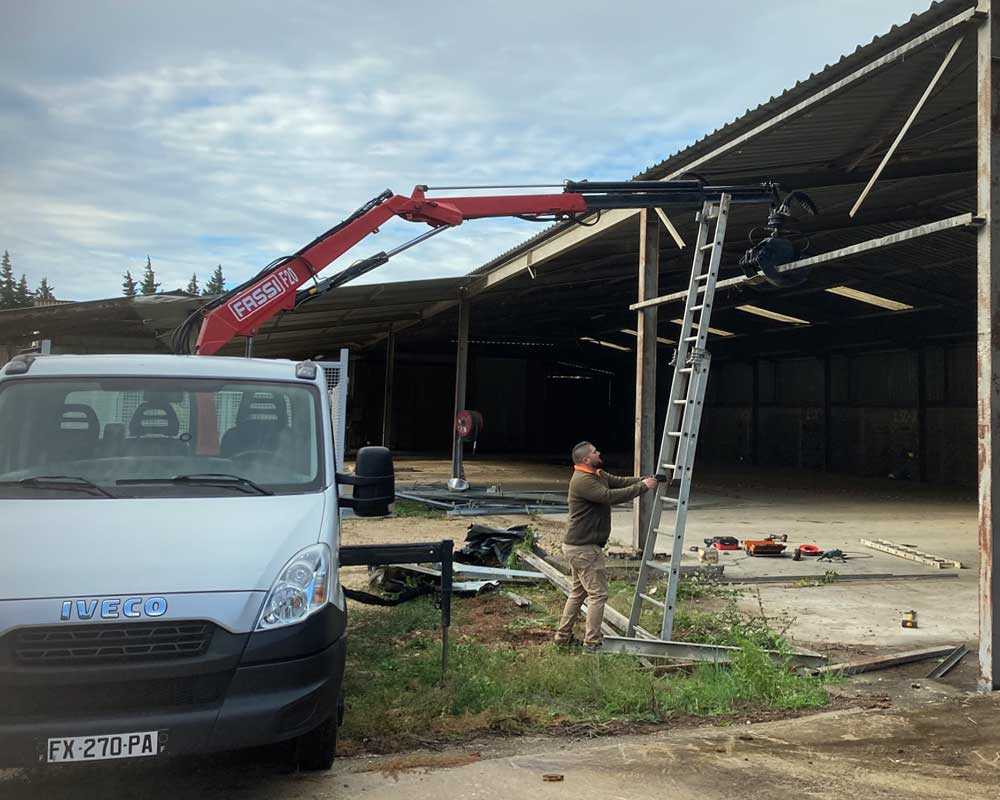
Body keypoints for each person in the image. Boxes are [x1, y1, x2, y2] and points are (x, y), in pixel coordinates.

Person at [553, 441, 658, 653]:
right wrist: (642, 487)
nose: (598, 452)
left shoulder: (596, 473)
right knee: (598, 595)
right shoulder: (583, 481)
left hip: (579, 546)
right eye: (594, 451)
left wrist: (646, 480)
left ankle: (562, 637)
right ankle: (592, 644)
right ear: (585, 459)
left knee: (578, 593)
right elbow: (609, 497)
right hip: (584, 548)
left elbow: (618, 481)